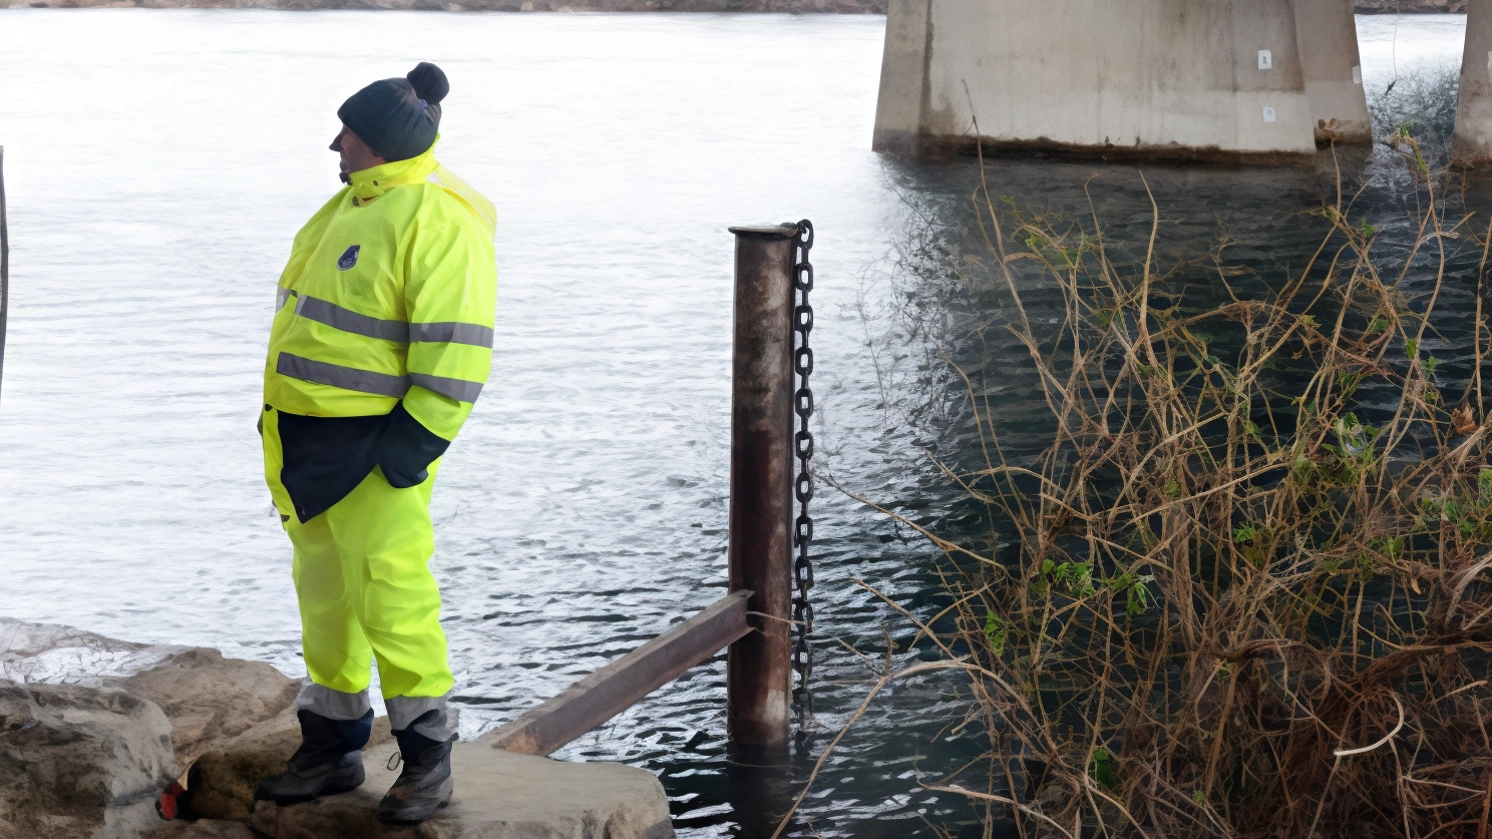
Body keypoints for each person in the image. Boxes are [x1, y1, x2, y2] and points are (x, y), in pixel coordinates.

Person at [254, 61, 496, 824]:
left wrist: (410, 449)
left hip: (375, 451)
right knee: (325, 602)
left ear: (381, 142)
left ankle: (427, 762)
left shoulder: (439, 216)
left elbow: (457, 352)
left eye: (349, 132)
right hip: (307, 445)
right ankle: (331, 747)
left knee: (395, 601)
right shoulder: (351, 204)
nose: (336, 141)